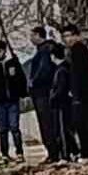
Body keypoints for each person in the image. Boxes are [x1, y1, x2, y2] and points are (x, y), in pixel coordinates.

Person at [62, 24, 88, 159]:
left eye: (69, 35)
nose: (67, 39)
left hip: (82, 93)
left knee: (82, 123)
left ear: (76, 35)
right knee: (83, 123)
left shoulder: (78, 49)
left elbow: (79, 73)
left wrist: (75, 92)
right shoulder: (79, 49)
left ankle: (87, 152)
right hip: (85, 92)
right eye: (64, 37)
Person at [28, 26, 57, 162]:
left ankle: (53, 152)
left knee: (47, 123)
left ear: (38, 35)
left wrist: (33, 82)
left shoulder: (44, 51)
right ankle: (52, 152)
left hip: (43, 93)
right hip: (43, 92)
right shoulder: (43, 50)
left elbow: (44, 70)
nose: (30, 39)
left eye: (32, 36)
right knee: (47, 123)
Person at [49, 43, 79, 162]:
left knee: (63, 130)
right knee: (68, 129)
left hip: (62, 104)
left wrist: (53, 98)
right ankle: (75, 151)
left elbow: (60, 88)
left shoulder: (61, 70)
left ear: (53, 56)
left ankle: (66, 154)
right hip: (67, 102)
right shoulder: (67, 67)